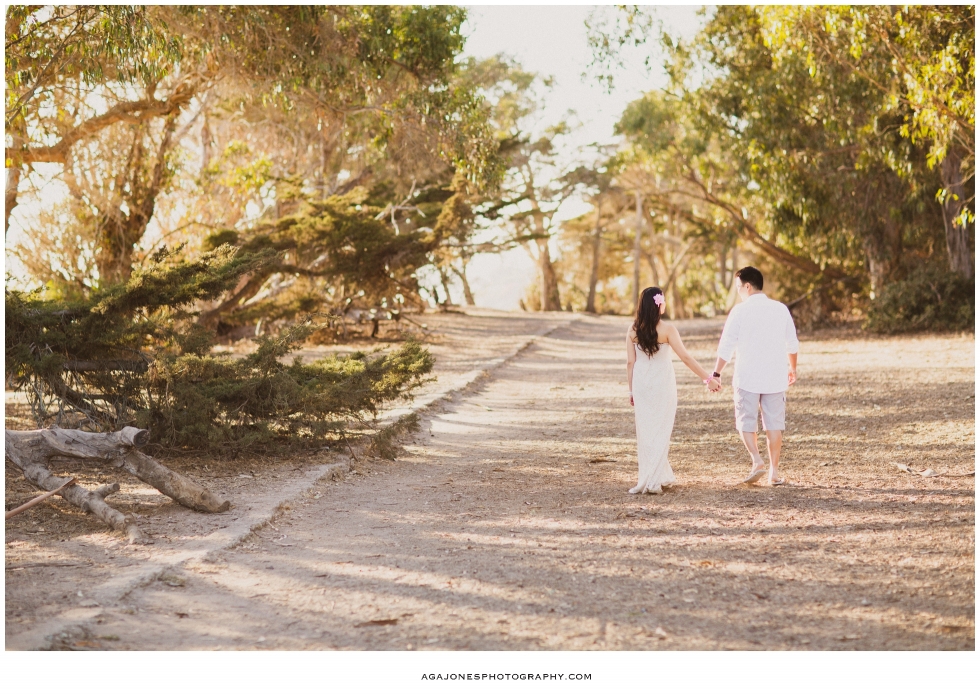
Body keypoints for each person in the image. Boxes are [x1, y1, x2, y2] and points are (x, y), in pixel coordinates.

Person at [708, 266, 799, 486]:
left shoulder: (739, 311)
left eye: (738, 287)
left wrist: (717, 373)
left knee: (745, 421)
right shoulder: (780, 309)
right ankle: (773, 472)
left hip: (747, 377)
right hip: (775, 376)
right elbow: (792, 343)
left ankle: (757, 460)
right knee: (774, 424)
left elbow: (726, 345)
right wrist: (792, 368)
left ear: (747, 286)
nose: (738, 292)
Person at [626, 286, 718, 494]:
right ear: (658, 305)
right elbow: (685, 357)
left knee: (646, 431)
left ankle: (656, 475)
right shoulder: (668, 330)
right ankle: (653, 481)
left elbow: (630, 363)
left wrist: (631, 391)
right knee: (661, 429)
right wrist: (707, 379)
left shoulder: (632, 330)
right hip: (663, 383)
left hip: (641, 384)